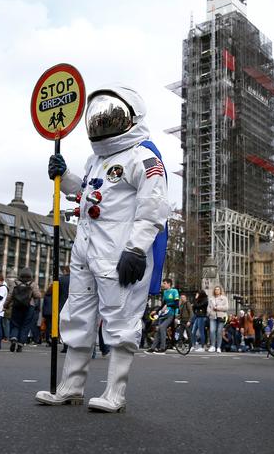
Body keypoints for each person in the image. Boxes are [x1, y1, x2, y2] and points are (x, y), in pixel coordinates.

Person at [36, 84, 170, 412]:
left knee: (120, 320)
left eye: (109, 119)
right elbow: (87, 193)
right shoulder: (95, 161)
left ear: (131, 117)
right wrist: (64, 175)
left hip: (120, 253)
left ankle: (115, 392)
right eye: (97, 120)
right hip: (86, 250)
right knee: (77, 317)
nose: (102, 126)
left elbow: (153, 205)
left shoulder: (143, 156)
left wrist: (138, 249)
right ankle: (71, 386)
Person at [6, 268, 41, 352]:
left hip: (16, 306)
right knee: (25, 326)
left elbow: (10, 296)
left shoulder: (15, 283)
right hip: (29, 307)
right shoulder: (32, 284)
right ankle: (20, 345)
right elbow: (38, 295)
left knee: (15, 324)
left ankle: (14, 338)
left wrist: (5, 305)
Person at [149, 278, 180, 354]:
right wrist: (156, 311)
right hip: (164, 313)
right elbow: (163, 304)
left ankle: (162, 348)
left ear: (169, 284)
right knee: (158, 330)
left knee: (162, 327)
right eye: (163, 283)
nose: (163, 285)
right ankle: (153, 348)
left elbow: (176, 304)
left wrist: (168, 305)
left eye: (165, 283)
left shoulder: (174, 291)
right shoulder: (165, 292)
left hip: (171, 313)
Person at [207, 286, 229, 353]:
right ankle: (213, 346)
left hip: (221, 316)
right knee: (212, 331)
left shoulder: (224, 298)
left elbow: (226, 307)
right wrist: (210, 312)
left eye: (218, 289)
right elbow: (208, 308)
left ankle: (218, 347)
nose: (217, 291)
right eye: (216, 289)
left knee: (219, 332)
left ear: (220, 291)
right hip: (213, 316)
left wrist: (218, 308)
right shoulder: (211, 298)